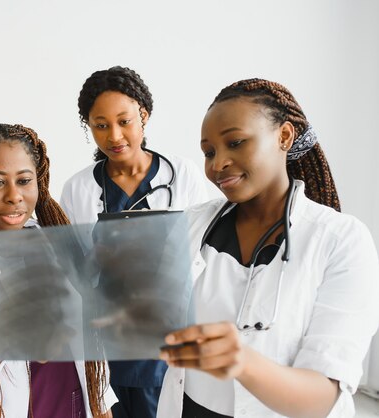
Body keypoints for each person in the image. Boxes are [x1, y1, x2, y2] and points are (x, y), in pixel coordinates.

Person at [158, 78, 379, 417]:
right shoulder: (189, 225)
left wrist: (242, 361)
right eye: (209, 152)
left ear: (284, 136)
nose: (218, 164)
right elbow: (153, 315)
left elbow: (324, 397)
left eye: (235, 142)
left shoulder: (343, 241)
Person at [0, 123, 117, 417]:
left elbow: (92, 343)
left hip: (69, 401)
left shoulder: (57, 243)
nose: (14, 195)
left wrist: (101, 406)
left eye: (24, 181)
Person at [60, 66, 209, 418]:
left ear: (144, 114)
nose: (114, 135)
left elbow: (202, 256)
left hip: (171, 341)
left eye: (124, 121)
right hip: (107, 345)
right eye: (100, 125)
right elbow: (72, 274)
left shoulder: (183, 175)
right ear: (89, 127)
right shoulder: (78, 189)